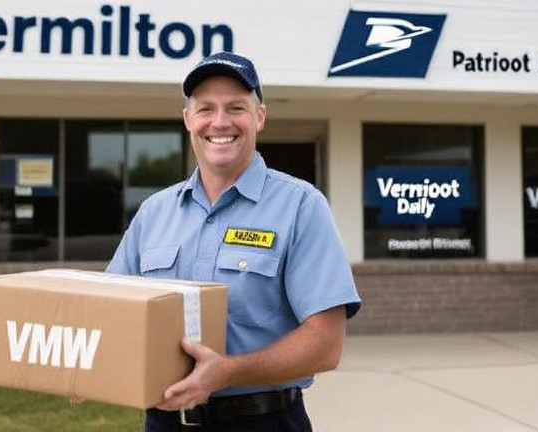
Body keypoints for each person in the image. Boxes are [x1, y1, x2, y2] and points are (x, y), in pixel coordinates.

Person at [106, 51, 361, 431]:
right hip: (163, 422)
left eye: (236, 107)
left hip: (262, 420)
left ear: (259, 116)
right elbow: (110, 312)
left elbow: (326, 345)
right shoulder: (154, 213)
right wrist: (90, 365)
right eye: (206, 108)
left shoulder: (301, 206)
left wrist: (226, 373)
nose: (220, 122)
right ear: (188, 119)